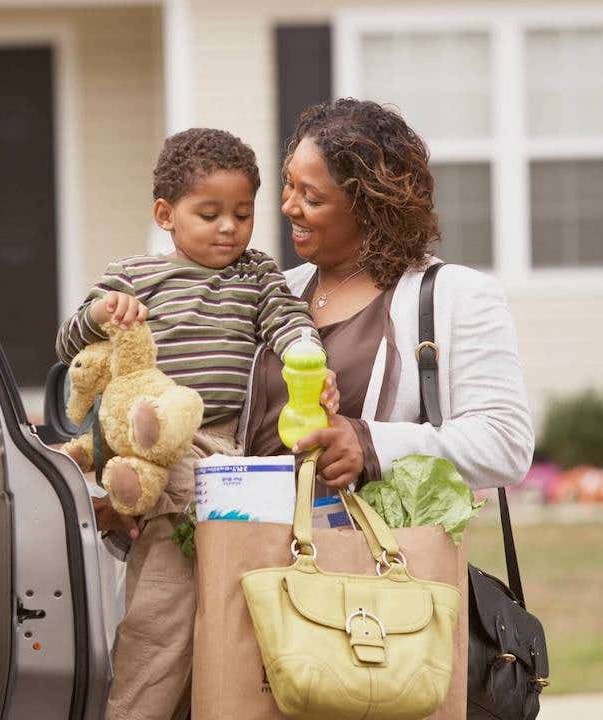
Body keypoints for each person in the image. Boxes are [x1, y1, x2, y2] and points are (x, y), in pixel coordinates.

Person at [54, 127, 319, 720]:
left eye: (243, 214)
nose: (229, 227)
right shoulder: (134, 275)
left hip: (226, 445)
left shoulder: (257, 275)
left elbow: (288, 320)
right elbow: (68, 339)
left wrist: (308, 355)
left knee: (223, 619)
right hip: (158, 445)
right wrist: (102, 313)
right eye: (210, 214)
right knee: (161, 619)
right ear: (165, 214)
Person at [242, 98, 535, 496]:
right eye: (289, 185)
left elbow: (505, 443)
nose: (288, 206)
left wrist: (370, 445)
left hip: (370, 553)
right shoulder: (275, 290)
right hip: (250, 545)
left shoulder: (453, 297)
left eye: (312, 198)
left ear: (369, 207)